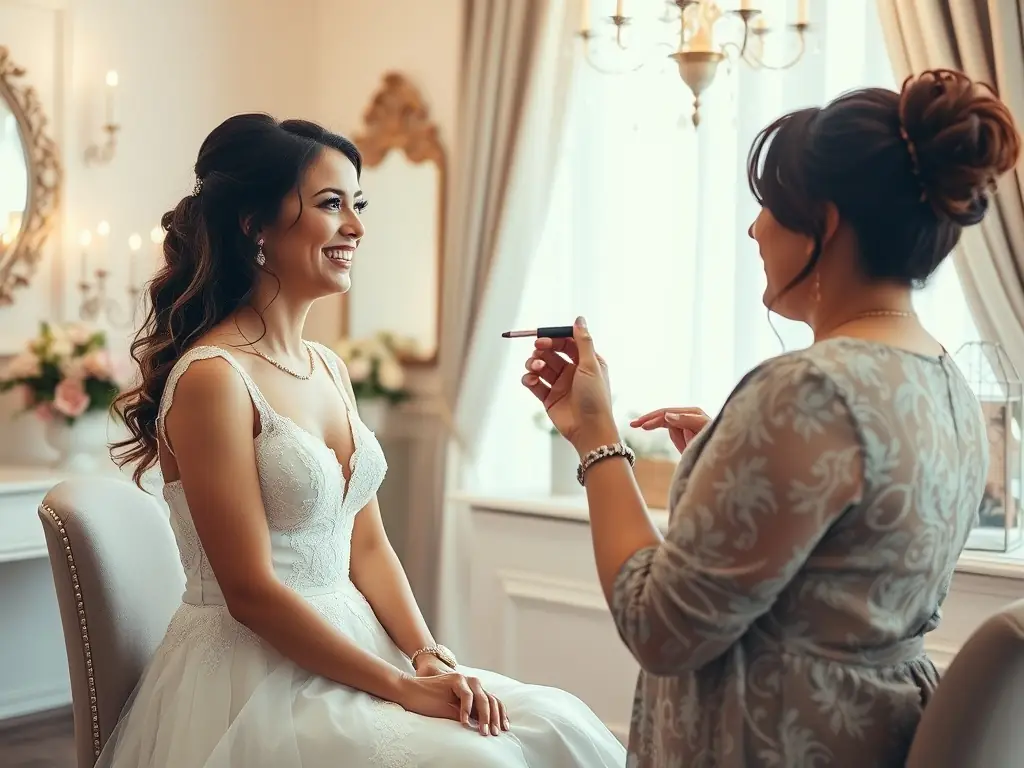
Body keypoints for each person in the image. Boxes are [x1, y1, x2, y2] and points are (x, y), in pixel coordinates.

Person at [523, 69, 1021, 767]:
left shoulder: (808, 391)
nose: (754, 228)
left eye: (767, 205)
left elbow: (658, 628)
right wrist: (724, 466)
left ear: (825, 222)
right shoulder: (949, 384)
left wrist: (596, 438)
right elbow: (846, 565)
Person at [105, 114, 627, 767]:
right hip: (255, 672)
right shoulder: (214, 379)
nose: (356, 226)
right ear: (254, 224)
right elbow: (251, 593)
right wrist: (404, 690)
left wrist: (427, 654)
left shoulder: (328, 368)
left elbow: (369, 544)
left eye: (359, 204)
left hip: (360, 645)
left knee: (559, 723)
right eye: (331, 204)